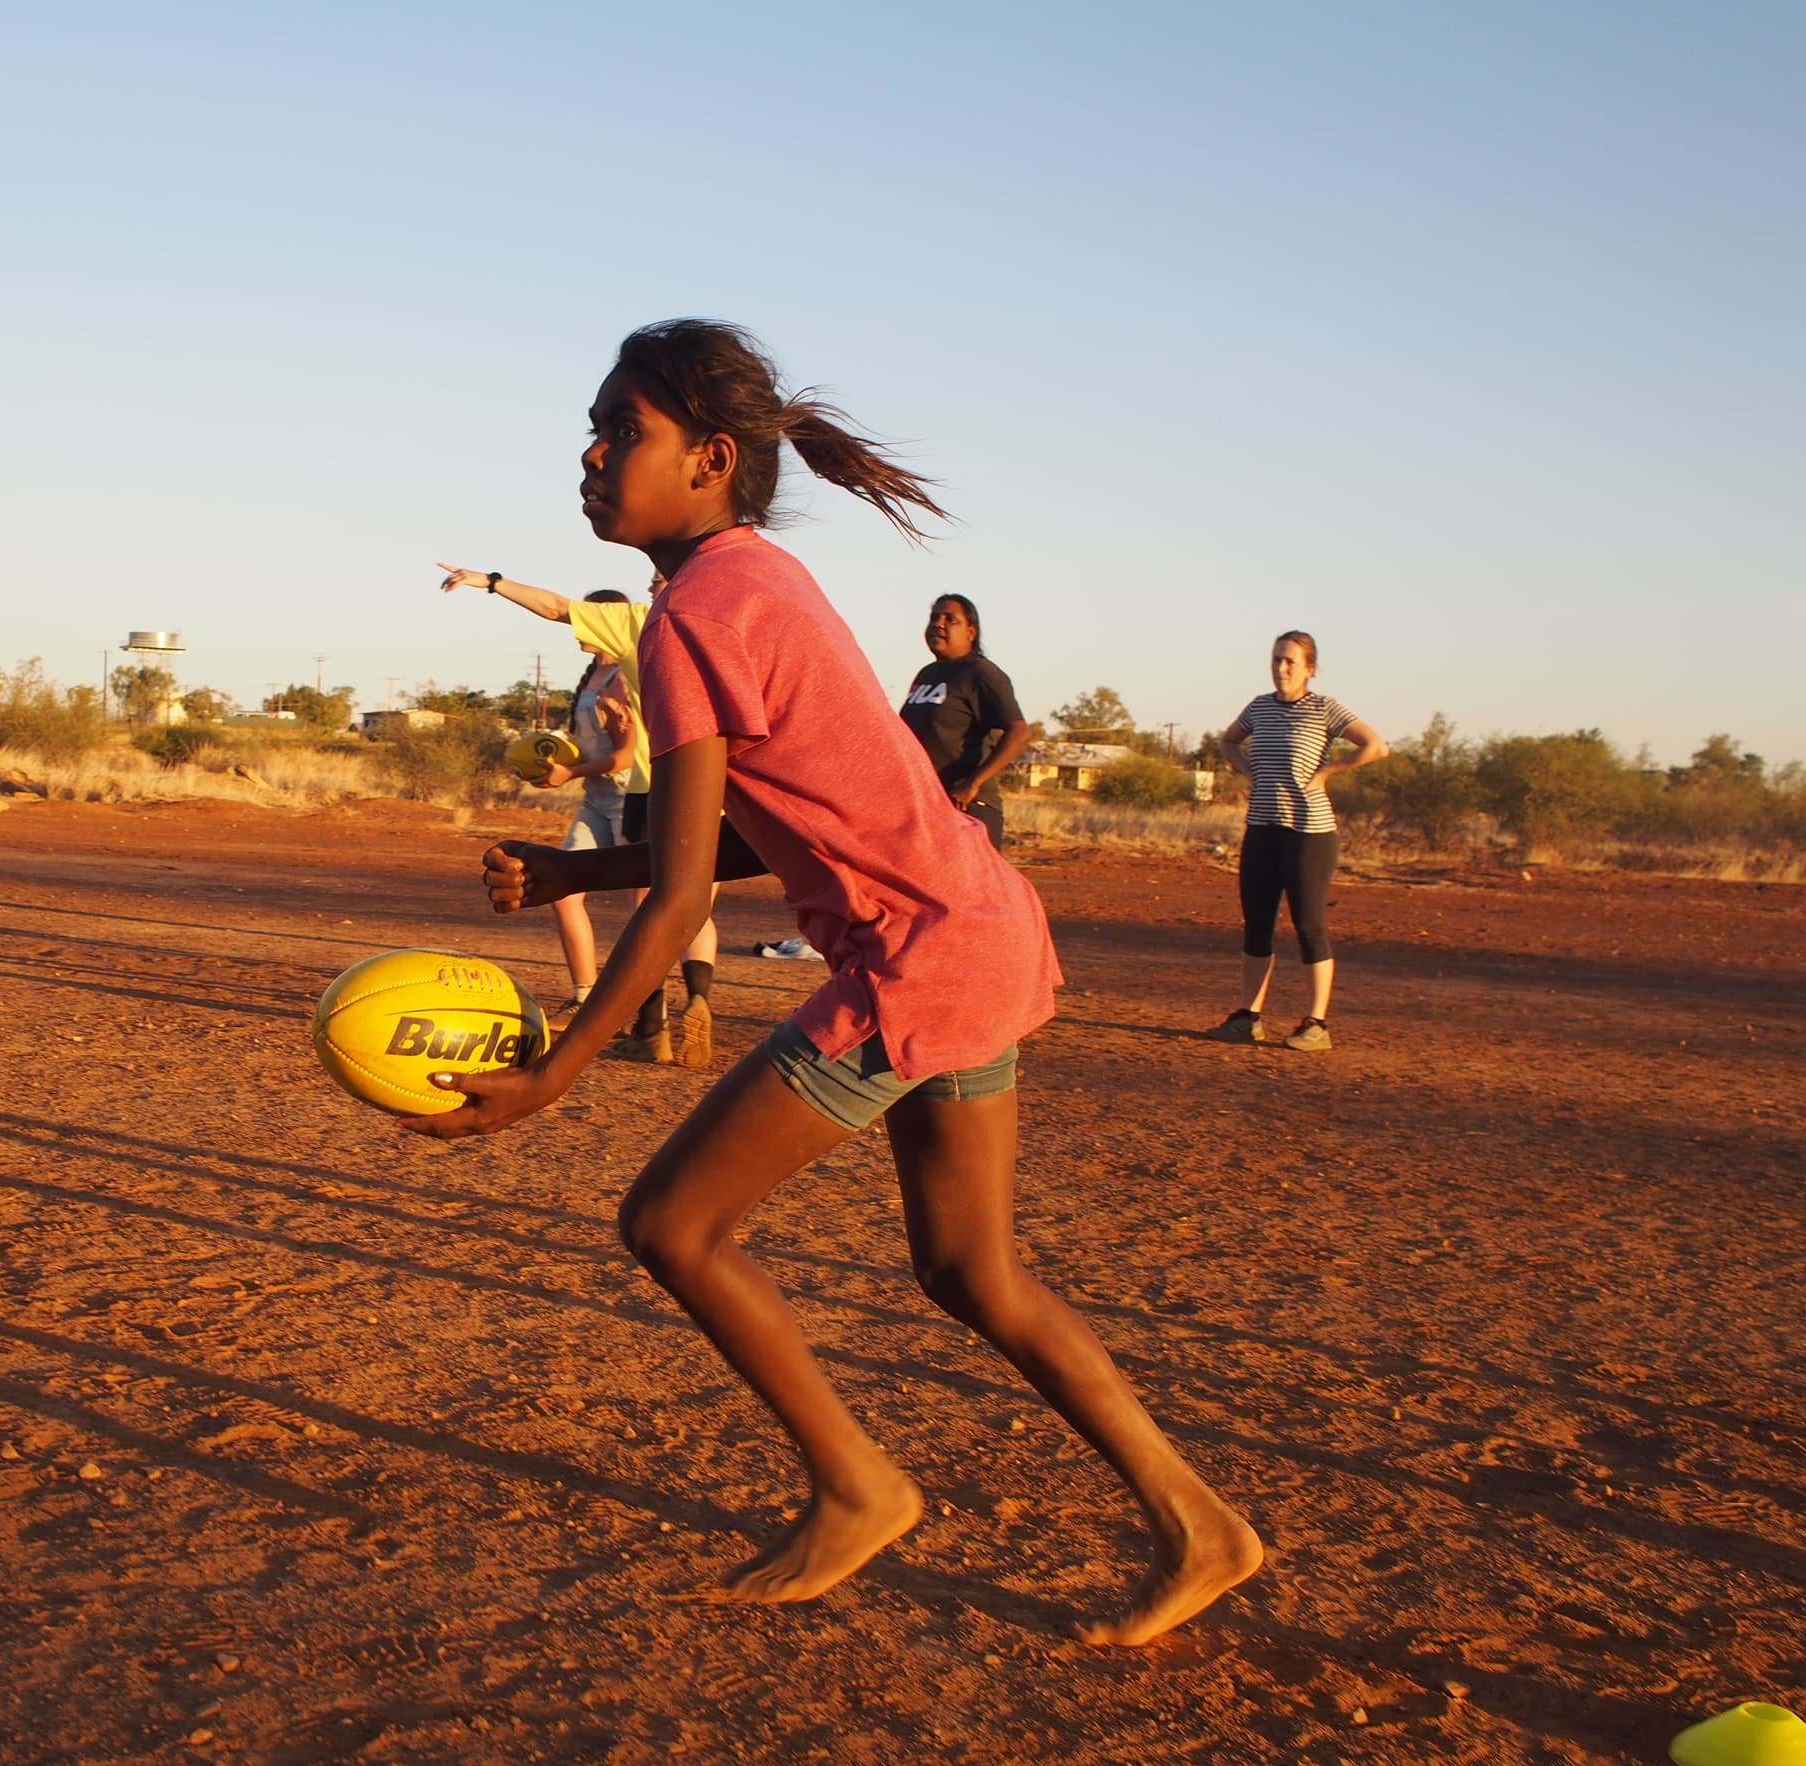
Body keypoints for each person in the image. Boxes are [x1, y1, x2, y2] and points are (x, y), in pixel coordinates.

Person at [408, 319, 1260, 1643]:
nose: (590, 456)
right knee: (972, 1269)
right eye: (594, 430)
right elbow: (784, 826)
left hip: (914, 962)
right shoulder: (761, 576)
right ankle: (1201, 1523)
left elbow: (685, 897)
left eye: (622, 431)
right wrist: (582, 870)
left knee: (673, 1223)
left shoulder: (690, 621)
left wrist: (554, 1075)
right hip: (975, 927)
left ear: (710, 458)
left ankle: (860, 1487)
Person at [436, 561, 719, 1070]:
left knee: (654, 908)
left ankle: (648, 1027)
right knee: (691, 901)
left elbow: (556, 608)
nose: (652, 584)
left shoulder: (641, 621)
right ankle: (692, 998)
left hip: (647, 786)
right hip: (712, 783)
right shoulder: (719, 622)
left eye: (658, 578)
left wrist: (491, 582)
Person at [1209, 633, 1389, 1051]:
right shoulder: (1259, 707)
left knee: (1308, 925)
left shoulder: (1324, 708)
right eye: (1276, 659)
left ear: (1310, 668)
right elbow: (1227, 742)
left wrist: (1327, 772)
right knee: (1257, 924)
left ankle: (1316, 1023)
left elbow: (1376, 747)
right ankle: (1248, 1017)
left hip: (1309, 832)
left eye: (1290, 661)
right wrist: (1249, 770)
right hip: (1261, 828)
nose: (1281, 667)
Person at [530, 631, 637, 1023]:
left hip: (630, 799)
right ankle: (584, 998)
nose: (577, 629)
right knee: (563, 891)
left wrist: (570, 773)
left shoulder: (626, 675)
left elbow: (626, 757)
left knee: (644, 906)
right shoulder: (594, 674)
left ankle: (643, 1009)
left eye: (589, 618)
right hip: (596, 798)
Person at [898, 592, 1033, 847]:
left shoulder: (982, 674)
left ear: (971, 633)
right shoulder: (927, 674)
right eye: (934, 618)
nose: (939, 624)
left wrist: (973, 784)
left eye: (950, 619)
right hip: (927, 806)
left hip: (967, 807)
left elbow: (1019, 732)